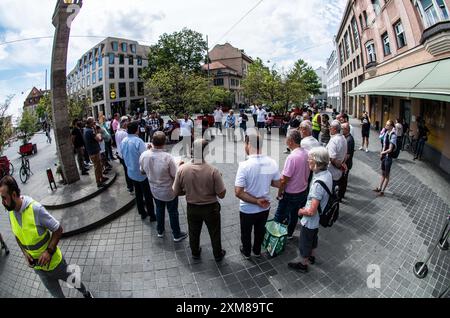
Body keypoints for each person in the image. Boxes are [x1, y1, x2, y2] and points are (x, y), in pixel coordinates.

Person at [0, 176, 93, 298]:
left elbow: (58, 229)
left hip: (56, 264)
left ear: (13, 195)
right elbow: (17, 236)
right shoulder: (11, 213)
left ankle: (86, 293)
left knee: (74, 281)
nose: (2, 202)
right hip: (39, 269)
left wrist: (49, 252)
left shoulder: (36, 209)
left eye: (3, 198)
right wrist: (25, 254)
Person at [173, 139, 227, 262]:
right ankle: (217, 254)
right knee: (214, 232)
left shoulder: (182, 169)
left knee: (193, 231)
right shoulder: (213, 171)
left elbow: (175, 192)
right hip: (211, 208)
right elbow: (222, 194)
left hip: (192, 207)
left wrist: (189, 191)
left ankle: (195, 252)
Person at [235, 133, 281, 259]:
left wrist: (256, 201)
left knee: (246, 232)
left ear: (248, 144)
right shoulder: (271, 162)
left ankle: (246, 252)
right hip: (265, 207)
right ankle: (256, 251)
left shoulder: (244, 166)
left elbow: (238, 192)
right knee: (260, 231)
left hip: (247, 209)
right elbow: (278, 183)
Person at [288, 147, 332, 273]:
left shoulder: (318, 183)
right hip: (318, 217)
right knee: (313, 238)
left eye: (310, 159)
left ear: (317, 162)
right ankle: (311, 256)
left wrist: (301, 212)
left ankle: (304, 264)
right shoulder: (326, 174)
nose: (308, 161)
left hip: (311, 219)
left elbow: (311, 211)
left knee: (305, 241)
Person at [139, 132, 188, 242]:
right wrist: (179, 166)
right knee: (173, 211)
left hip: (154, 189)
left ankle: (160, 231)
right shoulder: (168, 157)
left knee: (159, 209)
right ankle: (176, 234)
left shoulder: (144, 155)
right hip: (168, 190)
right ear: (164, 143)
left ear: (152, 141)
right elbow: (175, 175)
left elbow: (142, 171)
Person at [274, 130, 309, 239]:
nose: (285, 140)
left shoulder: (292, 157)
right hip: (302, 190)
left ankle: (275, 237)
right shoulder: (306, 153)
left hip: (291, 193)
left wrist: (279, 193)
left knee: (279, 215)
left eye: (287, 139)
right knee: (294, 214)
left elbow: (284, 180)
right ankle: (289, 234)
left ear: (291, 141)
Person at [121, 121, 156, 221]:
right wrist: (149, 149)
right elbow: (145, 157)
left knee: (138, 193)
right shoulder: (138, 141)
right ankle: (152, 215)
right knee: (147, 195)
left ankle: (142, 212)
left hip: (131, 172)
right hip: (141, 173)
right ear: (136, 130)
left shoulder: (124, 140)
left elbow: (123, 155)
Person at [374, 120, 397, 197]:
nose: (386, 126)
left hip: (388, 158)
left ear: (391, 126)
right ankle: (380, 188)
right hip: (384, 157)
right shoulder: (387, 133)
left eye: (387, 125)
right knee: (383, 174)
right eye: (386, 124)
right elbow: (384, 145)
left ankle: (382, 191)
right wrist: (382, 152)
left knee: (387, 175)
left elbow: (390, 149)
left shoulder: (393, 135)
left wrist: (382, 153)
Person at [84, 117, 107, 188]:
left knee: (99, 165)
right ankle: (98, 182)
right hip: (94, 152)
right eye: (93, 122)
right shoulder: (90, 131)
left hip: (93, 151)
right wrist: (100, 134)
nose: (95, 123)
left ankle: (101, 177)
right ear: (90, 123)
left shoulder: (87, 129)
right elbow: (99, 139)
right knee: (97, 167)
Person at [326, 120, 347, 192]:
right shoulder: (343, 138)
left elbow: (332, 158)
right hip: (338, 174)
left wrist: (340, 167)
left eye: (330, 127)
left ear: (334, 129)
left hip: (331, 173)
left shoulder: (334, 140)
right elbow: (345, 155)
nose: (329, 128)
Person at [115, 116, 134, 193]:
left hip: (120, 154)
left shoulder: (117, 132)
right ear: (124, 123)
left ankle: (130, 186)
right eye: (127, 121)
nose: (128, 123)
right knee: (128, 171)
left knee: (126, 171)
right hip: (125, 155)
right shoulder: (125, 133)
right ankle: (130, 187)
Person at [339, 123, 355, 202]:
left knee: (343, 180)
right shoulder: (346, 137)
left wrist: (341, 163)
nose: (341, 130)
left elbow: (347, 155)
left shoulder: (349, 140)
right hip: (346, 163)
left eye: (342, 128)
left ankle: (340, 196)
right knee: (343, 180)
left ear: (346, 129)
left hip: (346, 164)